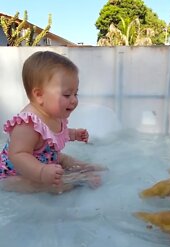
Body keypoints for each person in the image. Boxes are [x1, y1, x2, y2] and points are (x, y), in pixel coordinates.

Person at [0, 51, 105, 194]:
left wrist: (73, 134)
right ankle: (77, 180)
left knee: (63, 158)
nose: (74, 100)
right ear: (39, 95)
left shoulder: (53, 114)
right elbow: (18, 154)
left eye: (76, 93)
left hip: (45, 158)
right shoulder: (27, 124)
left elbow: (52, 133)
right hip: (16, 174)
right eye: (67, 94)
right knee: (50, 185)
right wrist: (41, 172)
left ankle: (83, 167)